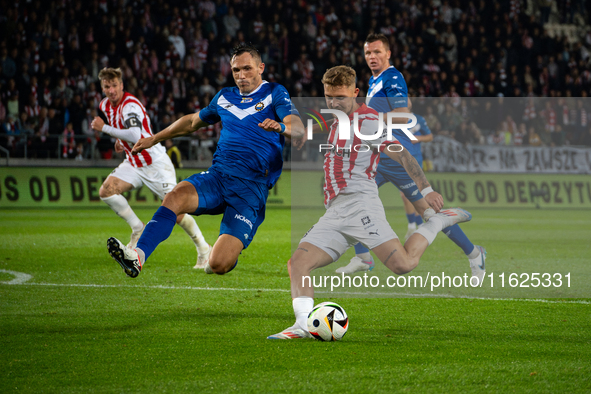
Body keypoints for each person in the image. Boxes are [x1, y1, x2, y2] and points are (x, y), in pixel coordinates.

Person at [268, 66, 472, 339]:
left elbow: (403, 155)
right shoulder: (330, 118)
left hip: (362, 204)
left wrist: (426, 189)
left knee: (403, 266)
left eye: (340, 96)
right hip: (335, 211)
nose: (334, 102)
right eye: (329, 96)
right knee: (298, 264)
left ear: (355, 93)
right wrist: (288, 129)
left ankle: (436, 222)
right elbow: (302, 127)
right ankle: (302, 325)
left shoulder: (369, 121)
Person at [106, 44, 304, 278]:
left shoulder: (274, 92)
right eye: (236, 70)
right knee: (174, 196)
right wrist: (154, 138)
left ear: (261, 68)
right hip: (218, 177)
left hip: (250, 188)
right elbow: (191, 122)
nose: (241, 76)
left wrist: (281, 126)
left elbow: (298, 127)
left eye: (247, 69)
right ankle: (137, 256)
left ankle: (218, 258)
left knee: (219, 264)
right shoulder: (224, 97)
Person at [336, 34, 486, 286]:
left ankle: (474, 253)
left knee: (429, 212)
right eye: (368, 53)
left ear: (388, 53)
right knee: (351, 198)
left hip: (394, 158)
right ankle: (363, 257)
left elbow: (403, 116)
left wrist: (367, 119)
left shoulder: (393, 77)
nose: (372, 57)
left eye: (377, 52)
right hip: (377, 157)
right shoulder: (375, 81)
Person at [91, 67, 210, 271]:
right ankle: (137, 227)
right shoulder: (105, 105)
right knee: (106, 191)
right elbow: (126, 133)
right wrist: (119, 141)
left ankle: (204, 250)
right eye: (106, 86)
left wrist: (106, 130)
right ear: (102, 88)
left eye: (114, 86)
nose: (110, 90)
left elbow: (137, 134)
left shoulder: (130, 105)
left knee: (177, 211)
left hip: (154, 163)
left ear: (121, 85)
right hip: (133, 162)